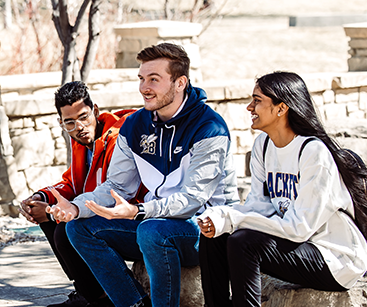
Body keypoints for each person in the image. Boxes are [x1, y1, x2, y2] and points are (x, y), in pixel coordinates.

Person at [47, 43, 240, 307]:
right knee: (78, 229)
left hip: (205, 231)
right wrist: (77, 207)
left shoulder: (209, 127)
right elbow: (117, 185)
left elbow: (193, 200)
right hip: (154, 224)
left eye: (154, 79)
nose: (144, 87)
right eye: (141, 78)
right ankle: (134, 304)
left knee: (152, 230)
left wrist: (138, 211)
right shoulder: (135, 124)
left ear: (180, 82)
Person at [196, 71, 367, 307]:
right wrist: (223, 219)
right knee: (216, 236)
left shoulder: (313, 153)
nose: (249, 107)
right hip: (297, 244)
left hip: (334, 259)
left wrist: (233, 218)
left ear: (281, 108)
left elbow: (299, 227)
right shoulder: (262, 146)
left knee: (243, 242)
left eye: (257, 100)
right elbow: (258, 207)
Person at [20, 81, 138, 307]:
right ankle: (86, 291)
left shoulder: (118, 137)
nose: (79, 127)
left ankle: (101, 298)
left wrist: (62, 211)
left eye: (84, 117)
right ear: (61, 123)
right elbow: (73, 184)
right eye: (70, 123)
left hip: (132, 217)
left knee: (66, 228)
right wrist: (42, 199)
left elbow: (114, 192)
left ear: (95, 111)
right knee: (46, 217)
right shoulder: (81, 142)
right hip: (98, 210)